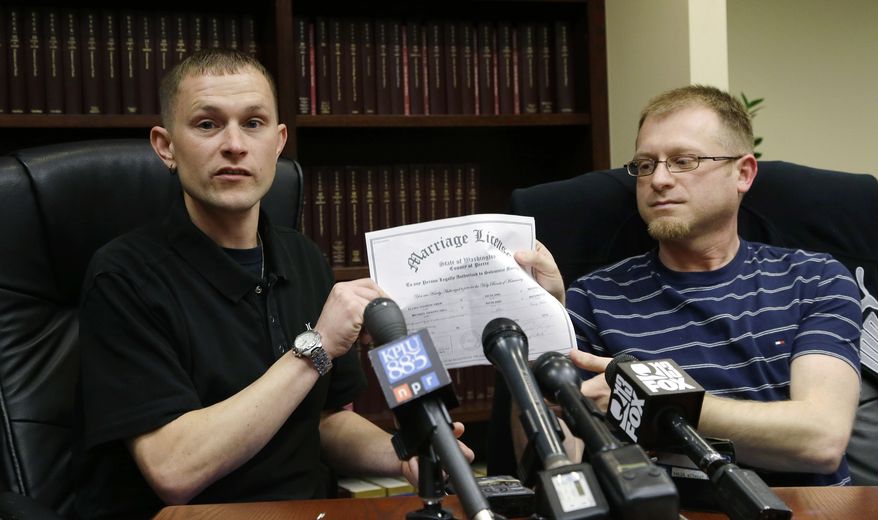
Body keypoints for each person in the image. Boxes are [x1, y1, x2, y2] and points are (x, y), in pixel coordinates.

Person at [73, 48, 471, 519]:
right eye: (207, 124)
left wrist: (407, 452)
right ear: (166, 146)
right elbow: (174, 470)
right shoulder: (123, 276)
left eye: (254, 123)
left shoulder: (302, 257)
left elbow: (321, 423)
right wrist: (315, 347)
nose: (235, 144)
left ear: (279, 141)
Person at [515, 85, 861, 486]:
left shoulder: (814, 279)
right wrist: (541, 326)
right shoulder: (595, 298)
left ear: (743, 173)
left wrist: (651, 400)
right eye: (645, 165)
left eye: (683, 161)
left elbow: (820, 441)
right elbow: (556, 466)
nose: (658, 179)